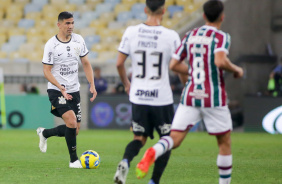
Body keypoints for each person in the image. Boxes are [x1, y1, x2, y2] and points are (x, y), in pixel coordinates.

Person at [136, 1, 244, 184]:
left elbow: (174, 65)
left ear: (203, 16)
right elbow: (219, 61)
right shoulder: (221, 37)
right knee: (224, 142)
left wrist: (194, 71)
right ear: (222, 16)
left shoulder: (191, 35)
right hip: (212, 97)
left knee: (175, 139)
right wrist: (236, 69)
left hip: (191, 95)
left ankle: (154, 151)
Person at [113, 0, 181, 183]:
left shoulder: (131, 32)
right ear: (164, 11)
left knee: (139, 138)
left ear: (145, 10)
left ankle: (125, 161)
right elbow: (179, 67)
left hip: (139, 96)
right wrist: (185, 84)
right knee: (167, 141)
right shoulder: (171, 36)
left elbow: (119, 63)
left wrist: (127, 84)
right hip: (162, 98)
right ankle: (153, 181)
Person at [36, 11, 97, 168]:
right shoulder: (51, 45)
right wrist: (60, 87)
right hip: (57, 90)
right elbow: (46, 71)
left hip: (74, 90)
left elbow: (86, 63)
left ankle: (44, 133)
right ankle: (74, 161)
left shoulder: (78, 40)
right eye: (67, 23)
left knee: (75, 129)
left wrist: (92, 84)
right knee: (70, 121)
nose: (71, 26)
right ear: (59, 25)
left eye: (72, 23)